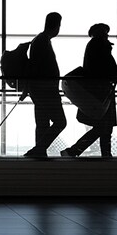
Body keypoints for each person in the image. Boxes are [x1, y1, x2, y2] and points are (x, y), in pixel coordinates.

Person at [61, 23, 117, 158]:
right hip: (101, 92)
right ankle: (76, 151)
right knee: (104, 126)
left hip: (100, 92)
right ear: (99, 33)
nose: (107, 35)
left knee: (104, 127)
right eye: (105, 32)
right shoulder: (99, 45)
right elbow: (101, 69)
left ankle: (77, 151)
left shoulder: (95, 45)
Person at [24, 12, 67, 159]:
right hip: (46, 90)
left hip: (39, 89)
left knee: (42, 123)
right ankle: (39, 149)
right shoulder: (42, 41)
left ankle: (39, 151)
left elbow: (33, 67)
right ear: (56, 25)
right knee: (60, 121)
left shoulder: (40, 40)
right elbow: (36, 67)